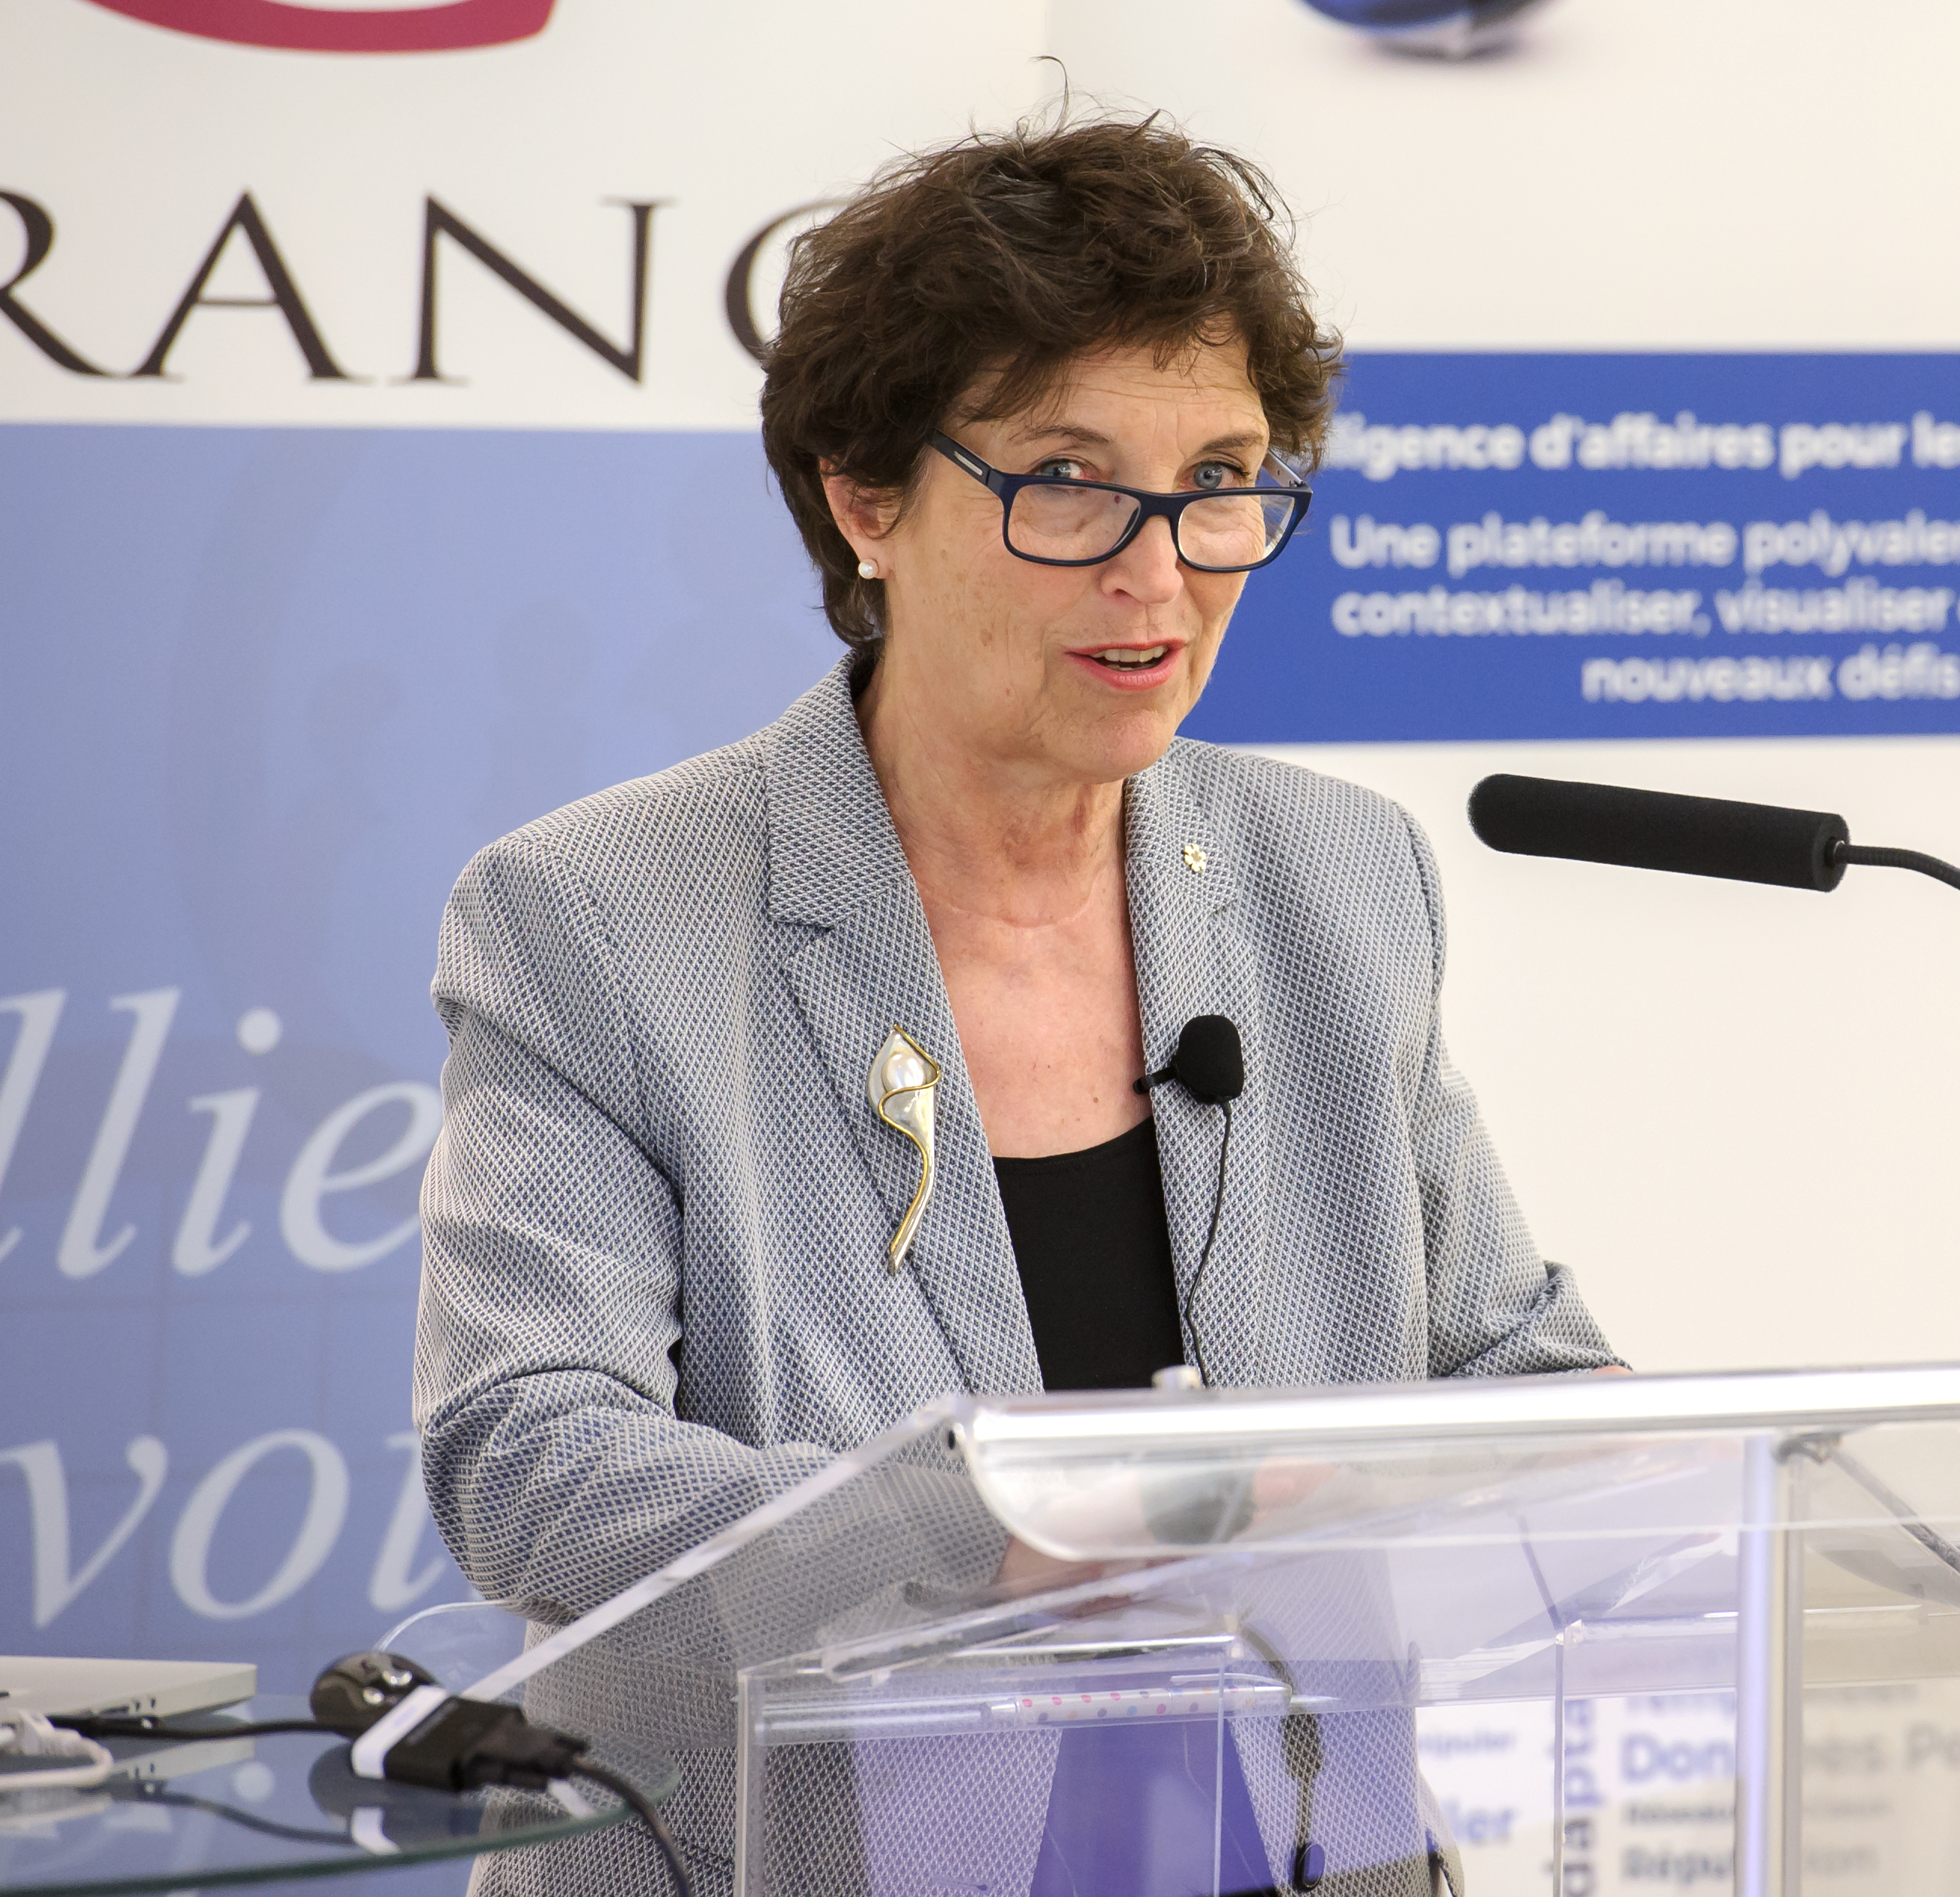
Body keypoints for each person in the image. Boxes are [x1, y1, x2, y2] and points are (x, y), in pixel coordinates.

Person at [410, 116, 1617, 1896]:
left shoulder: (1339, 875)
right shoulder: (598, 916)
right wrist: (1004, 1529)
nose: (1163, 571)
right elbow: (531, 1461)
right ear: (866, 498)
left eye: (1221, 477)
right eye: (1067, 480)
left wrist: (1642, 1461)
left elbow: (1510, 1366)